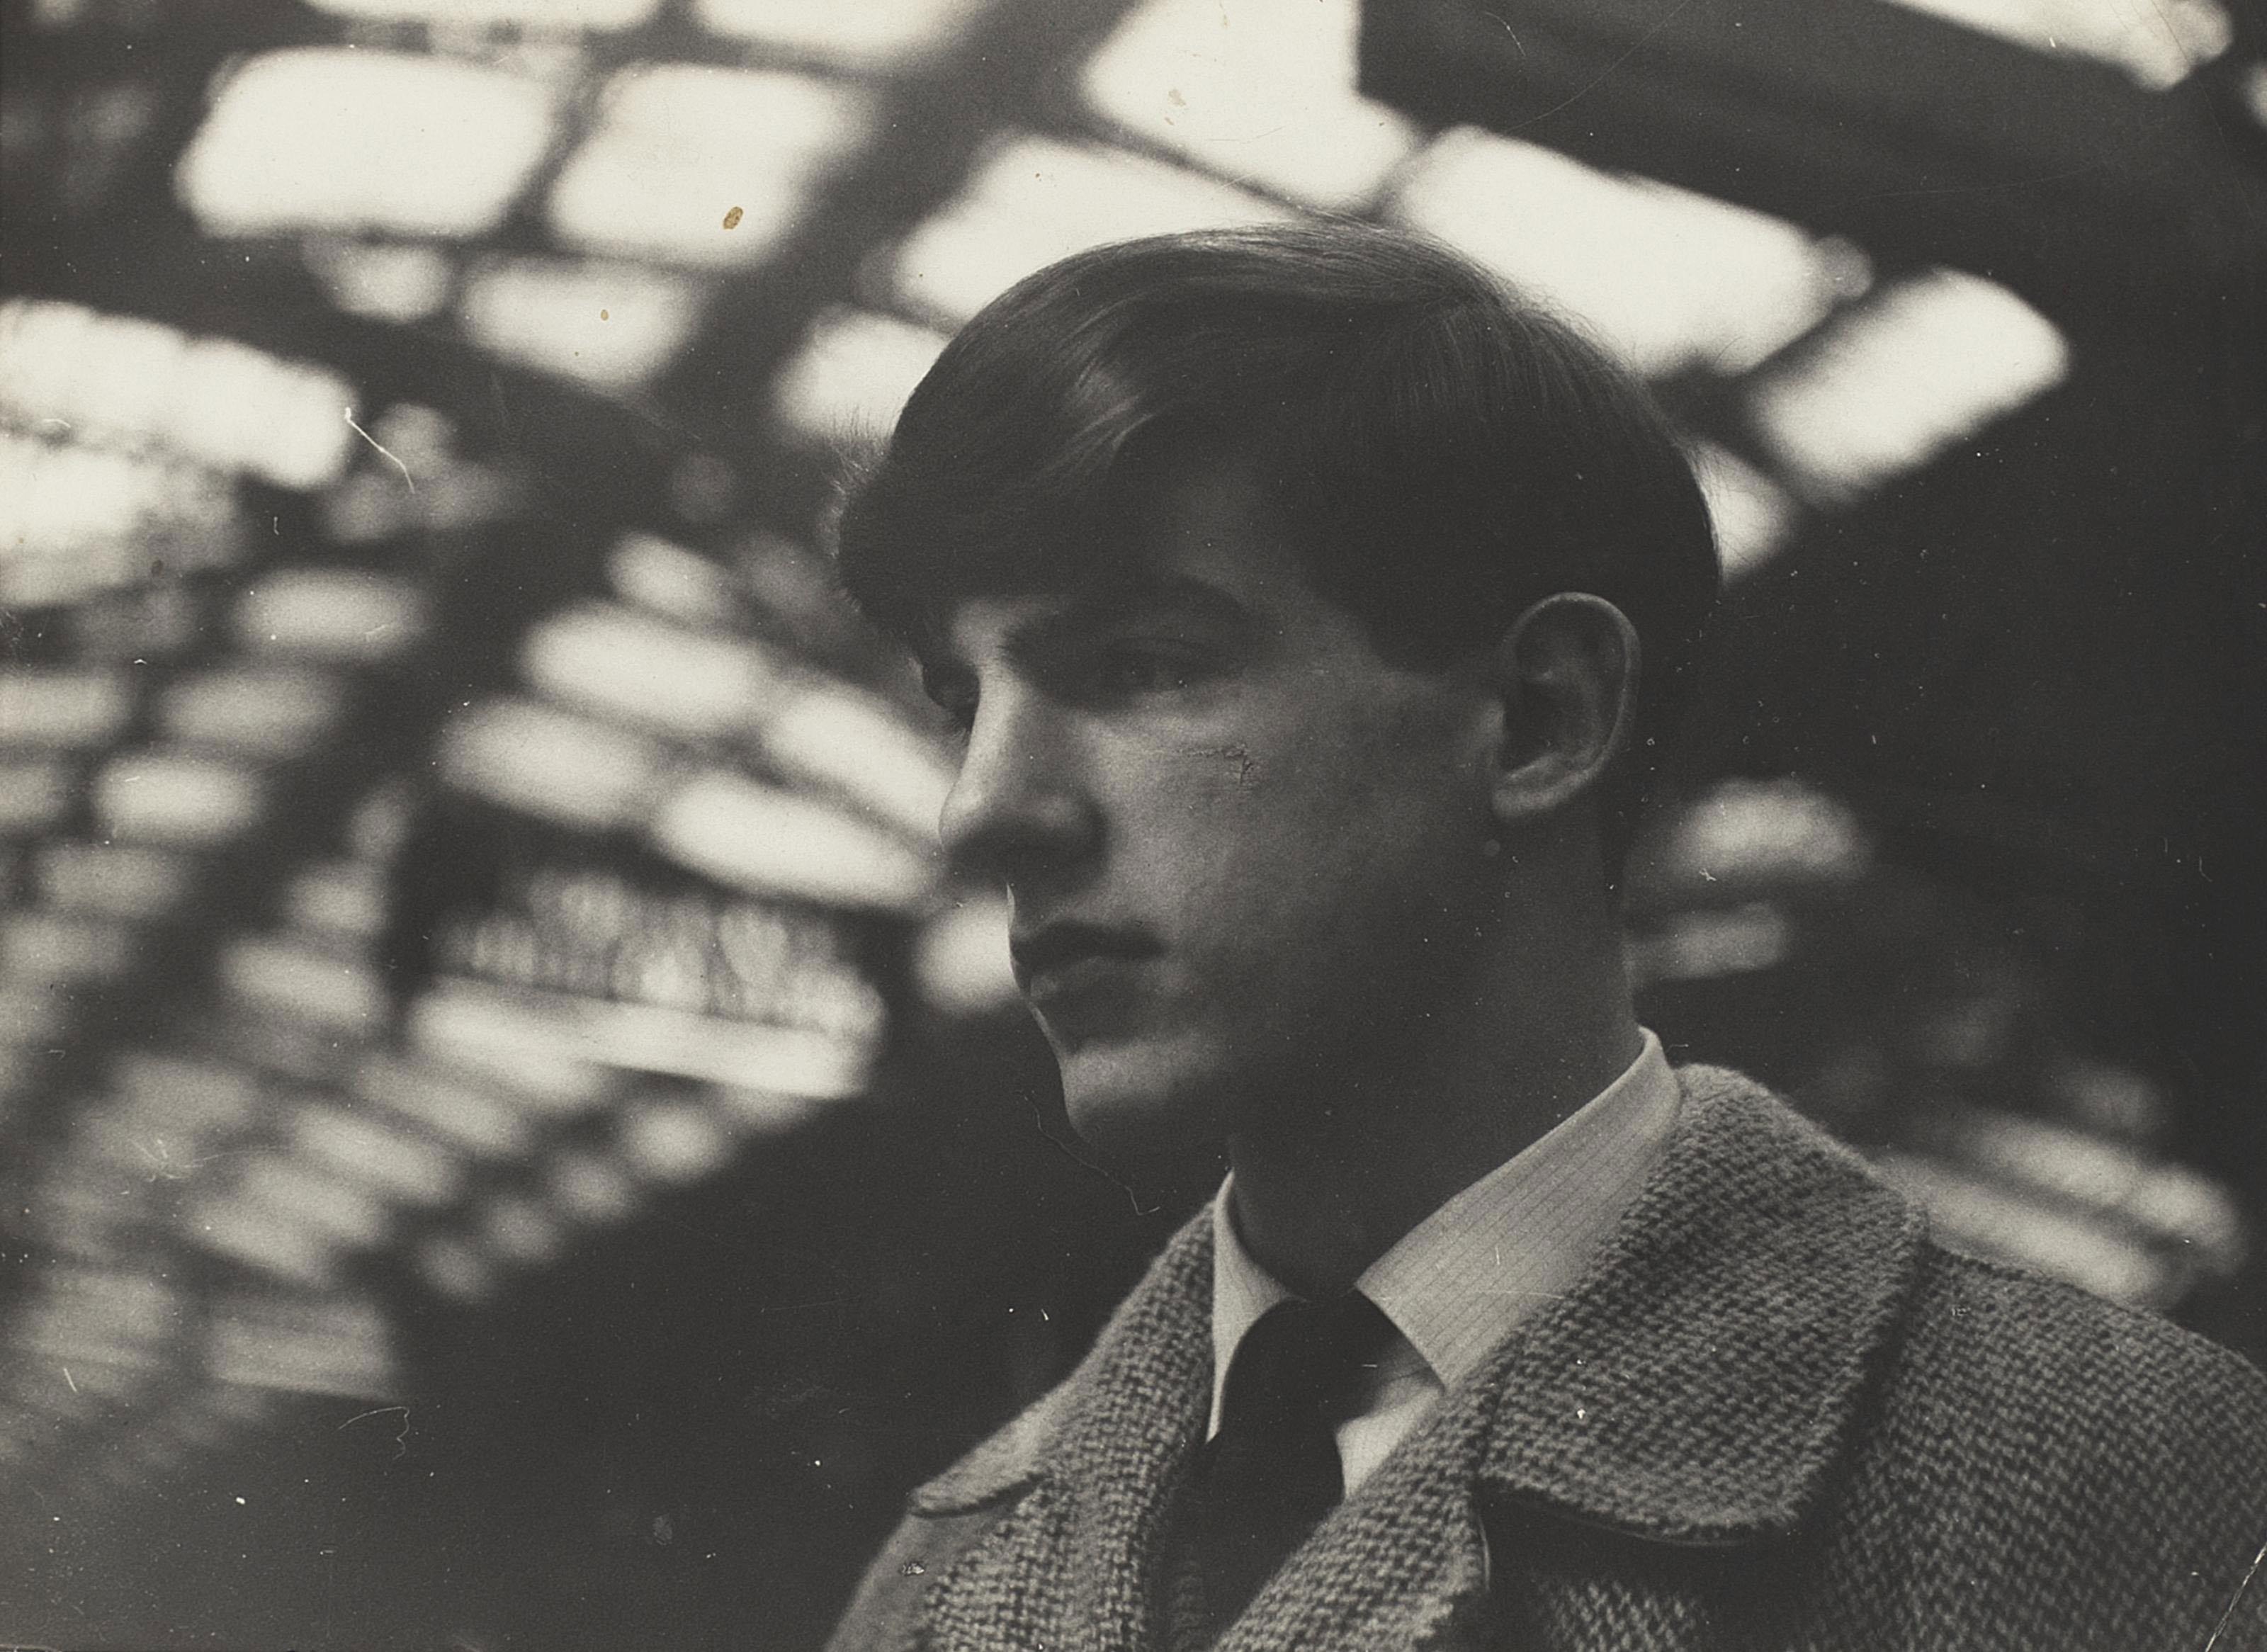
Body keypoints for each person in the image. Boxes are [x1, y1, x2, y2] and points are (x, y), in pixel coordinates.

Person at [820, 222, 2267, 1651]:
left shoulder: (2145, 1497)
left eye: (1144, 663)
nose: (979, 811)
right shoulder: (932, 1589)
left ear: (1539, 717)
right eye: (965, 707)